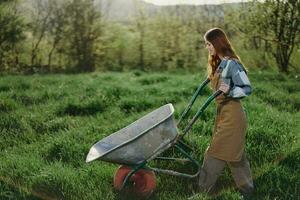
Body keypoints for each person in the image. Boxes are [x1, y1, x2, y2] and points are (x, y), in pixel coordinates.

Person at [197, 28, 254, 198]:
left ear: (217, 43)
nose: (208, 47)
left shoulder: (232, 64)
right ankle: (248, 190)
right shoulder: (220, 64)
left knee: (215, 152)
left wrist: (229, 90)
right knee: (235, 155)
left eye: (209, 44)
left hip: (233, 117)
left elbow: (247, 88)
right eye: (206, 44)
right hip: (224, 115)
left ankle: (202, 190)